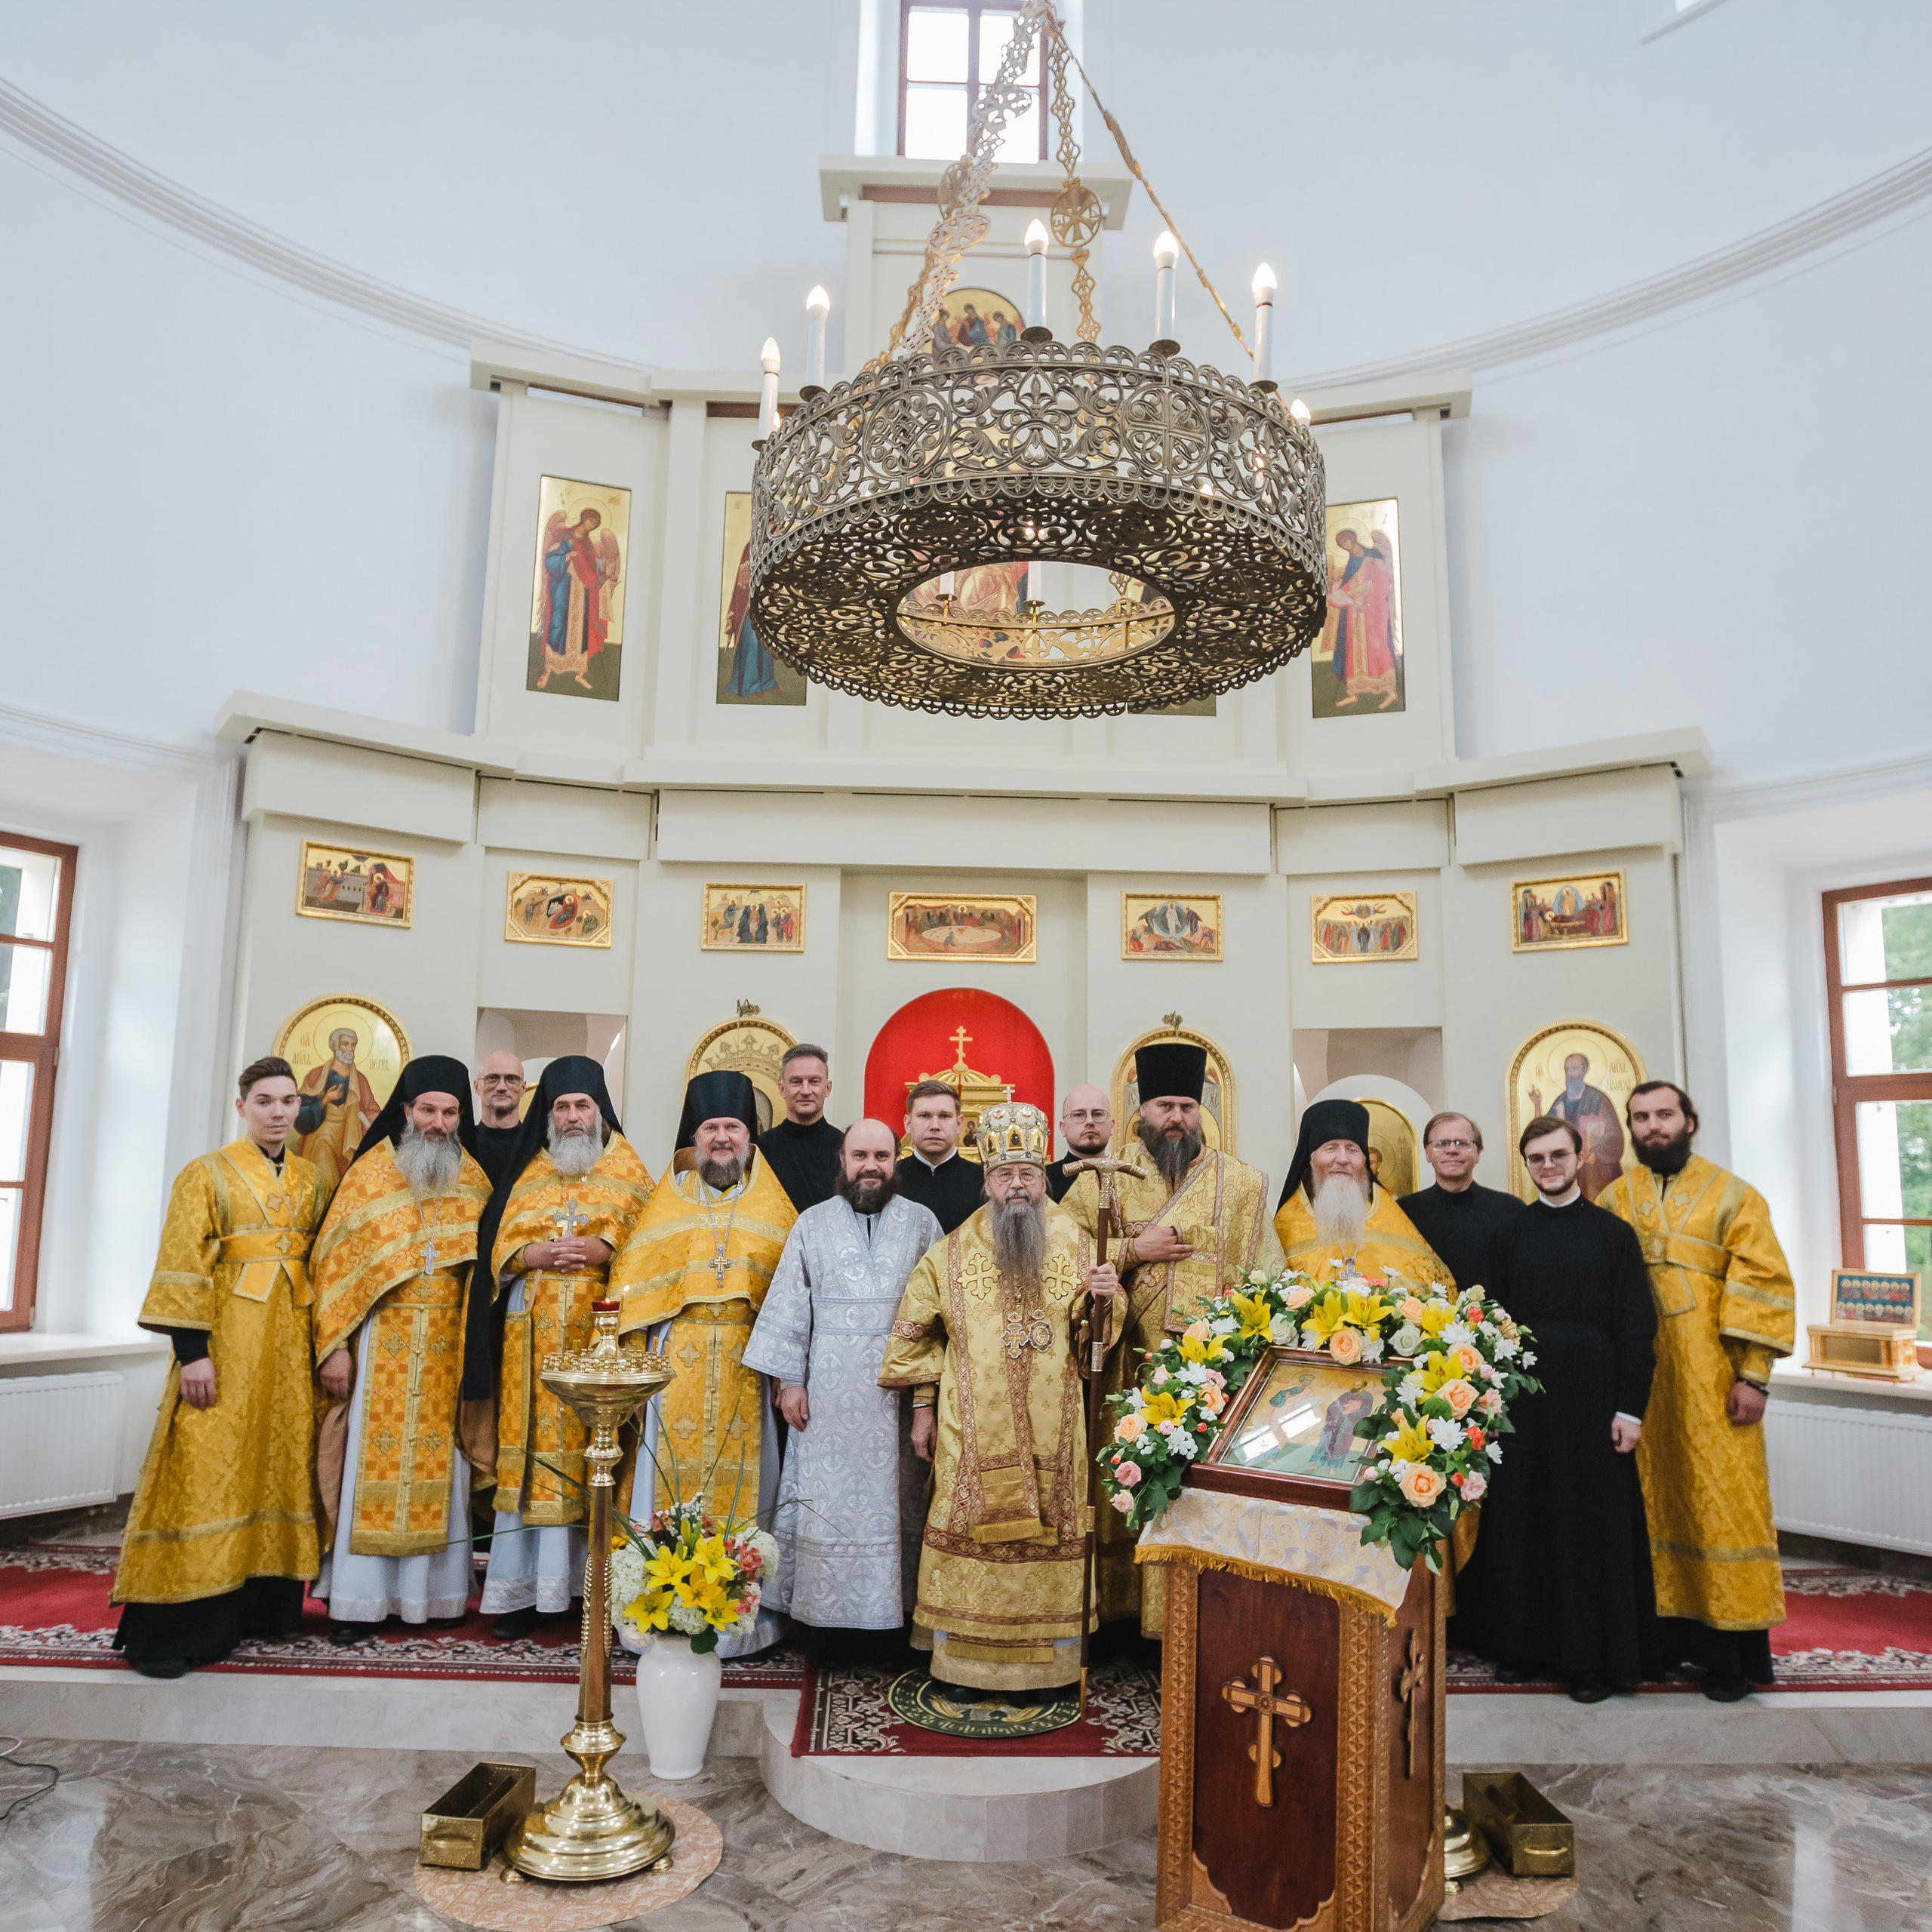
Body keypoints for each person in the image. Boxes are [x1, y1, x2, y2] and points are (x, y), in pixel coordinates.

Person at [878, 1102, 1121, 1693]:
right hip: (971, 1429)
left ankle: (1056, 1666)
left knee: (1055, 1531)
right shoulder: (952, 1251)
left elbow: (1099, 1343)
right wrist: (923, 1410)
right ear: (986, 1181)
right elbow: (913, 1335)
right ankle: (963, 1665)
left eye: (1029, 1174)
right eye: (1005, 1175)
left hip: (1055, 1431)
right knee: (965, 1529)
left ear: (1044, 1177)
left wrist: (1105, 1300)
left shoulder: (1080, 1243)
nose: (1018, 1185)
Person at [112, 1057, 328, 1678]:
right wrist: (192, 1353)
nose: (278, 1113)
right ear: (242, 1107)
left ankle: (260, 1611)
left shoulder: (311, 1181)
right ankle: (174, 1629)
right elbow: (182, 1264)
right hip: (225, 1347)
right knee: (205, 1471)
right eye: (265, 1101)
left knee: (272, 1467)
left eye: (288, 1102)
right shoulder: (204, 1175)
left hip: (285, 1350)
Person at [1060, 1043, 1280, 1631]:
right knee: (1116, 1496)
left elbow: (1267, 1282)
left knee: (1190, 1503)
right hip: (1121, 1375)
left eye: (1187, 1105)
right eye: (1164, 1105)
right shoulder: (1099, 1179)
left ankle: (1185, 1625)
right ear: (1141, 1109)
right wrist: (1134, 1250)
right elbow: (1061, 1268)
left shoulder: (1244, 1186)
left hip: (1206, 1385)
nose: (1176, 1117)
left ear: (1202, 1108)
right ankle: (1115, 1617)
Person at [1448, 1116, 1658, 1702]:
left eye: (1557, 1156)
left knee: (1589, 1529)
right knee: (1523, 1524)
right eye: (1536, 1158)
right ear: (1525, 1163)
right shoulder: (1509, 1234)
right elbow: (1487, 1323)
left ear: (1580, 1155)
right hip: (1524, 1404)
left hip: (1595, 1402)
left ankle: (1588, 1662)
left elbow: (1637, 1329)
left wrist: (1630, 1409)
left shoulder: (1614, 1235)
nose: (1548, 1166)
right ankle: (1518, 1648)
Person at [1601, 1081, 1796, 1701]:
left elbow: (1764, 1283)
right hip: (1640, 1382)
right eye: (1641, 1117)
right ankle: (1658, 1646)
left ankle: (1728, 1658)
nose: (1653, 1126)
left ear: (1689, 1120)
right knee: (1649, 1504)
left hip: (1714, 1380)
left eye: (1664, 1114)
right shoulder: (1615, 1197)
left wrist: (1754, 1374)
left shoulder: (1735, 1195)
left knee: (1721, 1504)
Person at [613, 1071, 798, 1653]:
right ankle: (658, 1606)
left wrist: (786, 1370)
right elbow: (631, 1292)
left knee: (750, 1484)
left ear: (751, 1135)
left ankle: (741, 1615)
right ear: (694, 1137)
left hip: (748, 1365)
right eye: (712, 1127)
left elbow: (794, 1297)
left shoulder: (774, 1204)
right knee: (664, 1487)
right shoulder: (665, 1204)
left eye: (733, 1127)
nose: (722, 1138)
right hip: (678, 1368)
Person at [309, 1057, 493, 1642]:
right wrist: (334, 1347)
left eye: (450, 1112)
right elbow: (331, 1269)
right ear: (406, 1111)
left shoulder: (474, 1179)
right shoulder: (368, 1176)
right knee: (371, 1469)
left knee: (446, 1475)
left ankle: (433, 1600)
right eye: (428, 1110)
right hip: (379, 1345)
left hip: (447, 1352)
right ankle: (359, 1602)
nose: (438, 1123)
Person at [742, 1120, 942, 1653]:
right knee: (823, 1504)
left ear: (895, 1161)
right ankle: (821, 1626)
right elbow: (790, 1303)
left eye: (880, 1155)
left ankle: (894, 1624)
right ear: (843, 1160)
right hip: (826, 1396)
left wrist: (926, 1399)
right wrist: (790, 1382)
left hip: (895, 1396)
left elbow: (941, 1315)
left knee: (896, 1507)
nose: (870, 1166)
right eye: (860, 1155)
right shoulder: (812, 1224)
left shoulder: (923, 1224)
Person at [473, 1057, 656, 1638]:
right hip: (530, 1342)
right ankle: (524, 1594)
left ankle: (590, 1594)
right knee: (532, 1463)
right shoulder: (529, 1171)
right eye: (561, 1107)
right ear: (547, 1115)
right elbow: (498, 1248)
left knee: (595, 1459)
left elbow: (652, 1244)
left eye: (582, 1106)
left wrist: (603, 1247)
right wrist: (534, 1256)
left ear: (600, 1112)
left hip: (598, 1339)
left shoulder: (629, 1168)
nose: (573, 1117)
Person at [1274, 1098, 1454, 1290]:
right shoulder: (1287, 1225)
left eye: (1352, 1149)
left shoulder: (1392, 1218)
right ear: (1311, 1159)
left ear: (1364, 1160)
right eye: (1331, 1148)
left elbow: (1430, 1291)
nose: (1343, 1159)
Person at [1399, 1112, 1525, 1293]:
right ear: (1427, 1153)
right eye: (1441, 1143)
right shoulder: (1405, 1212)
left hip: (1497, 1319)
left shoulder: (1511, 1210)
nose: (1452, 1150)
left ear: (1478, 1153)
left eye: (1462, 1143)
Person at [756, 1042, 844, 1213]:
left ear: (827, 1088)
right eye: (796, 1082)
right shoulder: (761, 1149)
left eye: (814, 1081)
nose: (805, 1090)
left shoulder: (846, 1148)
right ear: (782, 1089)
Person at [294, 1028, 380, 1197]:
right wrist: (325, 1100)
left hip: (349, 1134)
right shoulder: (316, 1075)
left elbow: (371, 1109)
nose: (350, 1050)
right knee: (322, 1156)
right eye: (345, 1044)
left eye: (353, 1045)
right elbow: (298, 1108)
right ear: (334, 1046)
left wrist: (376, 1124)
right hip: (322, 1132)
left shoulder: (360, 1080)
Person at [893, 1079, 985, 1234]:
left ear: (959, 1124)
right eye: (924, 1116)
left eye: (944, 1116)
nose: (935, 1126)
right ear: (908, 1124)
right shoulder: (889, 1178)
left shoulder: (984, 1181)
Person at [1529, 1054, 1626, 1201]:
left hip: (1595, 1169)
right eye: (1567, 1069)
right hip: (1570, 1167)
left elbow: (1614, 1134)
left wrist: (1596, 1153)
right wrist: (1537, 1105)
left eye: (1574, 1069)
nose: (1569, 1074)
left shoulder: (1598, 1099)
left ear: (1584, 1070)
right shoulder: (1561, 1101)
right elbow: (1542, 1130)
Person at [1046, 1084, 1115, 1203]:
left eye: (1098, 1114)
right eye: (1079, 1115)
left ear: (1112, 1126)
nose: (1090, 1121)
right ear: (1063, 1128)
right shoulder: (1043, 1181)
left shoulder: (1128, 1179)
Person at [472, 1051, 528, 1186]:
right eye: (492, 1078)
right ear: (477, 1086)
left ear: (523, 1088)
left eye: (512, 1079)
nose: (502, 1087)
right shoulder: (464, 1145)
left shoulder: (535, 1146)